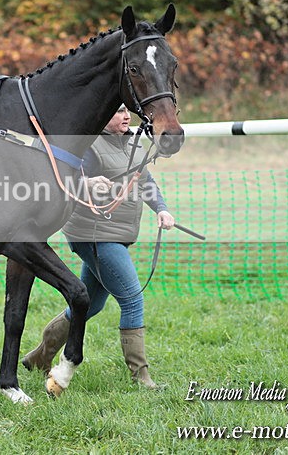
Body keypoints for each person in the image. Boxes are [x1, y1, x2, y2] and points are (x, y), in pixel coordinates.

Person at [22, 104, 175, 388]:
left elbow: (146, 182)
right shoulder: (89, 146)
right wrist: (87, 183)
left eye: (128, 111)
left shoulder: (133, 142)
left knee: (88, 306)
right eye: (117, 111)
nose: (126, 116)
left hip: (117, 234)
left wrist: (161, 209)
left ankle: (39, 358)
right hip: (93, 234)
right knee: (132, 299)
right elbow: (66, 182)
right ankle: (141, 377)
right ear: (102, 116)